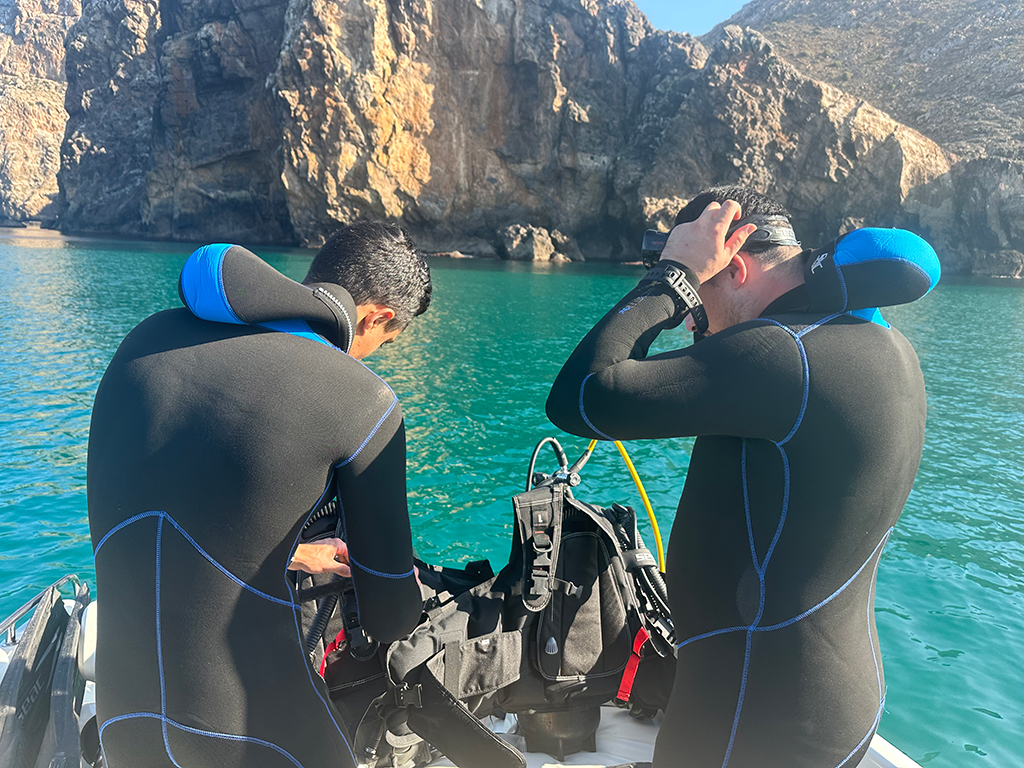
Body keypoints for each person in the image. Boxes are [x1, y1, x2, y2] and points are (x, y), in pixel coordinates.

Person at [546, 185, 937, 768]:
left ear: (735, 268)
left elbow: (580, 397)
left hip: (751, 718)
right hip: (830, 698)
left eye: (696, 301)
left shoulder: (784, 354)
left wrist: (670, 278)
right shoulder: (881, 344)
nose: (687, 326)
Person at [88, 221, 431, 768]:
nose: (369, 359)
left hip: (122, 724)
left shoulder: (143, 341)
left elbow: (168, 516)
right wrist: (399, 587)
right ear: (379, 316)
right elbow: (392, 618)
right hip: (256, 742)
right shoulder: (362, 399)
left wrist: (292, 553)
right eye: (382, 344)